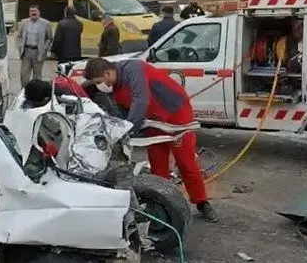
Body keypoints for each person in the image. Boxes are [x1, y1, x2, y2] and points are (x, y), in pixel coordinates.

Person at [83, 57, 217, 221]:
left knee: (185, 162)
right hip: (152, 121)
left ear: (107, 73)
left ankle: (202, 203)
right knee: (158, 165)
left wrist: (127, 130)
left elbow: (140, 100)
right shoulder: (115, 88)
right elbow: (123, 113)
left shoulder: (134, 70)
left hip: (176, 116)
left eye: (99, 81)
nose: (100, 85)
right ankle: (162, 205)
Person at [17, 5, 52, 87]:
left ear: (39, 12)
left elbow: (50, 38)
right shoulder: (24, 22)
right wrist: (20, 46)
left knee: (37, 76)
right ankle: (24, 92)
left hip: (38, 52)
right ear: (29, 13)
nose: (33, 13)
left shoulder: (46, 23)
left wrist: (44, 49)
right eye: (31, 11)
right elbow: (19, 36)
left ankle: (36, 94)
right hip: (26, 52)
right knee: (24, 75)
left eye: (35, 11)